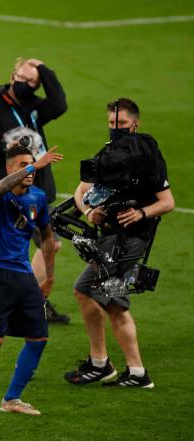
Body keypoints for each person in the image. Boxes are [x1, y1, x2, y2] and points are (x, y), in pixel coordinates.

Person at [64, 98, 174, 388]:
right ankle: (129, 370)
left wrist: (140, 212)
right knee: (112, 301)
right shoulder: (110, 154)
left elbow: (168, 203)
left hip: (130, 241)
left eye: (122, 123)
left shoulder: (147, 158)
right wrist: (90, 212)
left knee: (89, 290)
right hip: (111, 239)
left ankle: (105, 364)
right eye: (112, 123)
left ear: (135, 123)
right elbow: (82, 190)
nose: (116, 128)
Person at [0, 145, 62, 417]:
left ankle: (12, 399)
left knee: (38, 337)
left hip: (23, 275)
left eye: (31, 164)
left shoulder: (38, 198)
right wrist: (34, 167)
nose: (29, 170)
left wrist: (50, 276)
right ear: (9, 168)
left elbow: (47, 236)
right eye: (22, 165)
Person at [0, 57, 70, 325]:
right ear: (12, 75)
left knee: (40, 245)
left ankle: (32, 303)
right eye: (21, 78)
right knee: (46, 244)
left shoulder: (34, 108)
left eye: (32, 82)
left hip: (39, 188)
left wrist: (44, 70)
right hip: (9, 192)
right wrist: (7, 146)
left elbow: (59, 103)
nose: (25, 85)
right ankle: (32, 303)